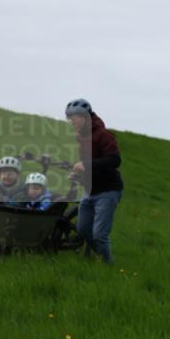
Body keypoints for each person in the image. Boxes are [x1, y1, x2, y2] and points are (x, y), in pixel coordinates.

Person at [66, 99, 123, 263]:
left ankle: (108, 265)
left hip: (108, 191)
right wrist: (79, 175)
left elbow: (114, 160)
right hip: (89, 190)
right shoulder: (81, 137)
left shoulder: (103, 135)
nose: (72, 122)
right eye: (70, 118)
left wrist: (86, 165)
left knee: (99, 234)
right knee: (82, 229)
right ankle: (97, 256)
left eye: (75, 118)